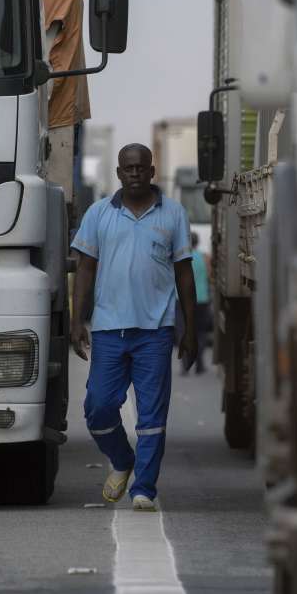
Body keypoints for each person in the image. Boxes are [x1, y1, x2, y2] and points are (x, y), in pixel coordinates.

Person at [71, 143, 198, 511]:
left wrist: (188, 328)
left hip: (155, 330)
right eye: (129, 168)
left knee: (152, 415)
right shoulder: (98, 214)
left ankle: (144, 488)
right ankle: (122, 460)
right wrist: (79, 319)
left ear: (152, 171)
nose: (136, 174)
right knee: (98, 406)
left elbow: (184, 273)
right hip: (109, 328)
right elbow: (85, 268)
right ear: (119, 173)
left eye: (141, 168)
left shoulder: (173, 214)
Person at [179, 232, 212, 375]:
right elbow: (211, 276)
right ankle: (199, 364)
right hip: (201, 300)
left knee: (184, 331)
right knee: (200, 332)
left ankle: (186, 364)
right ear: (197, 242)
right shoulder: (204, 258)